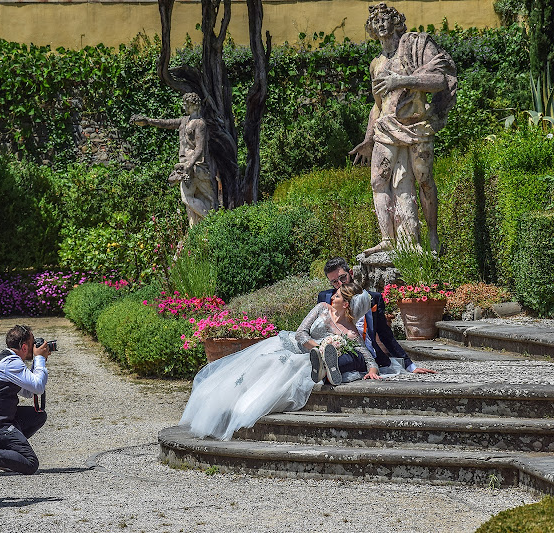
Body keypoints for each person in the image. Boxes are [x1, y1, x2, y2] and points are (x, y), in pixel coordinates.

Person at [179, 282, 377, 441]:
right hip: (292, 346)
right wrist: (318, 347)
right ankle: (223, 408)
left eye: (338, 295)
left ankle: (243, 410)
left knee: (281, 378)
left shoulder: (349, 330)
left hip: (308, 360)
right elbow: (301, 333)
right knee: (261, 365)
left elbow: (366, 353)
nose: (333, 295)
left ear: (346, 304)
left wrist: (373, 368)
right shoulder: (321, 308)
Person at [349, 2, 457, 256]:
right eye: (376, 21)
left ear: (395, 21)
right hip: (385, 129)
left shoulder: (414, 47)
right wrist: (367, 139)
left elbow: (439, 80)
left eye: (386, 18)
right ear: (372, 29)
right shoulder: (377, 63)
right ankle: (387, 239)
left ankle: (431, 233)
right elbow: (377, 105)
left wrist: (402, 80)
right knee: (378, 181)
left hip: (416, 126)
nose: (381, 23)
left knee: (424, 180)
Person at [317, 257, 436, 374]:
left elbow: (385, 334)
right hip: (334, 349)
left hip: (366, 354)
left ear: (351, 273)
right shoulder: (325, 298)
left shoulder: (373, 298)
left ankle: (327, 370)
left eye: (342, 277)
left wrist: (410, 366)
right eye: (334, 282)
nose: (340, 284)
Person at [0, 324, 51, 476]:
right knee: (31, 463)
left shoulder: (5, 360)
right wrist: (39, 359)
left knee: (38, 415)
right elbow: (38, 387)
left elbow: (28, 392)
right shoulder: (11, 363)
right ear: (24, 347)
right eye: (33, 344)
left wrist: (37, 363)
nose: (35, 347)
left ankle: (7, 457)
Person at [131, 92, 219, 226]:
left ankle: (212, 222)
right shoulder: (184, 120)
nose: (183, 106)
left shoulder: (200, 124)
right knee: (188, 201)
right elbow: (166, 123)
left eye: (186, 104)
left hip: (197, 167)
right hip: (185, 166)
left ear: (193, 105)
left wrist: (189, 165)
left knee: (205, 198)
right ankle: (199, 229)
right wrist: (148, 121)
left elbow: (199, 149)